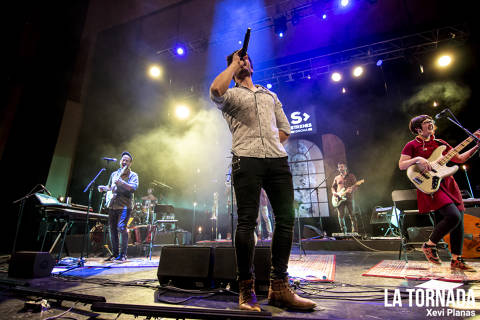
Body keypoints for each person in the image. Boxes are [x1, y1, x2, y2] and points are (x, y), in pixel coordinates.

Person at [210, 50, 316, 311]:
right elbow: (215, 90)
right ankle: (246, 289)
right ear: (234, 69)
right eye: (237, 61)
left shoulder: (270, 95)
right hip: (246, 159)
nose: (242, 62)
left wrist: (267, 144)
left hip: (276, 160)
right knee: (247, 222)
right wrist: (233, 64)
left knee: (286, 219)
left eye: (245, 60)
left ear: (253, 67)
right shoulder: (232, 95)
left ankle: (279, 286)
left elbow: (285, 129)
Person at [398, 115, 479, 270]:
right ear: (418, 129)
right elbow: (402, 165)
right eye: (426, 122)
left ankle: (456, 260)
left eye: (431, 121)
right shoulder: (412, 145)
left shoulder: (440, 143)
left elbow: (460, 159)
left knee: (459, 220)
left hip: (448, 183)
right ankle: (429, 244)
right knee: (453, 216)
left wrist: (476, 147)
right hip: (431, 185)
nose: (431, 123)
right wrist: (418, 159)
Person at [98, 151, 139, 262]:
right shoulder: (114, 174)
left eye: (127, 160)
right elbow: (111, 187)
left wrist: (122, 183)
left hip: (125, 205)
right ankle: (115, 254)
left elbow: (133, 188)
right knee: (112, 230)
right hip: (113, 205)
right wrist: (104, 188)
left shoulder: (133, 175)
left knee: (121, 227)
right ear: (120, 162)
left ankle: (123, 254)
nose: (124, 162)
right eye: (123, 160)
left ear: (130, 163)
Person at [331, 162, 358, 234]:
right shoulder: (336, 178)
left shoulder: (351, 176)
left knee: (352, 215)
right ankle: (343, 232)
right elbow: (333, 187)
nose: (340, 168)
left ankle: (354, 232)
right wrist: (334, 193)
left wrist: (352, 189)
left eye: (342, 167)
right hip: (339, 199)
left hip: (349, 198)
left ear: (345, 167)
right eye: (339, 167)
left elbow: (356, 186)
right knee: (340, 216)